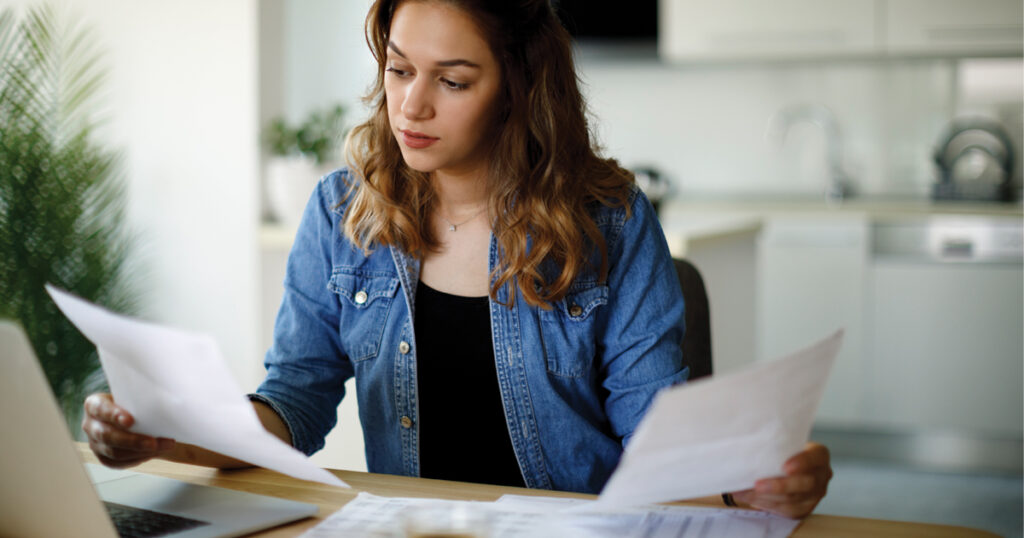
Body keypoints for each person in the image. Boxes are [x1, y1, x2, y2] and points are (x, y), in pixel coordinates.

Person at [82, 0, 832, 518]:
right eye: (400, 68)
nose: (411, 106)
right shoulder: (342, 214)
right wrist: (176, 435)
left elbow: (656, 431)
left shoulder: (610, 221)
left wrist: (749, 483)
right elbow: (296, 400)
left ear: (518, 89)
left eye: (452, 80)